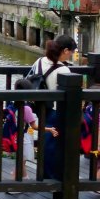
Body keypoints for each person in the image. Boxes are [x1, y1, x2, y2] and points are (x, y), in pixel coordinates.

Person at [37, 35, 78, 180]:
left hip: (41, 107)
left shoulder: (40, 61)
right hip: (56, 109)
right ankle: (53, 176)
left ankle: (44, 174)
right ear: (65, 50)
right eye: (72, 51)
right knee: (54, 144)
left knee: (46, 140)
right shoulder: (64, 70)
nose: (72, 54)